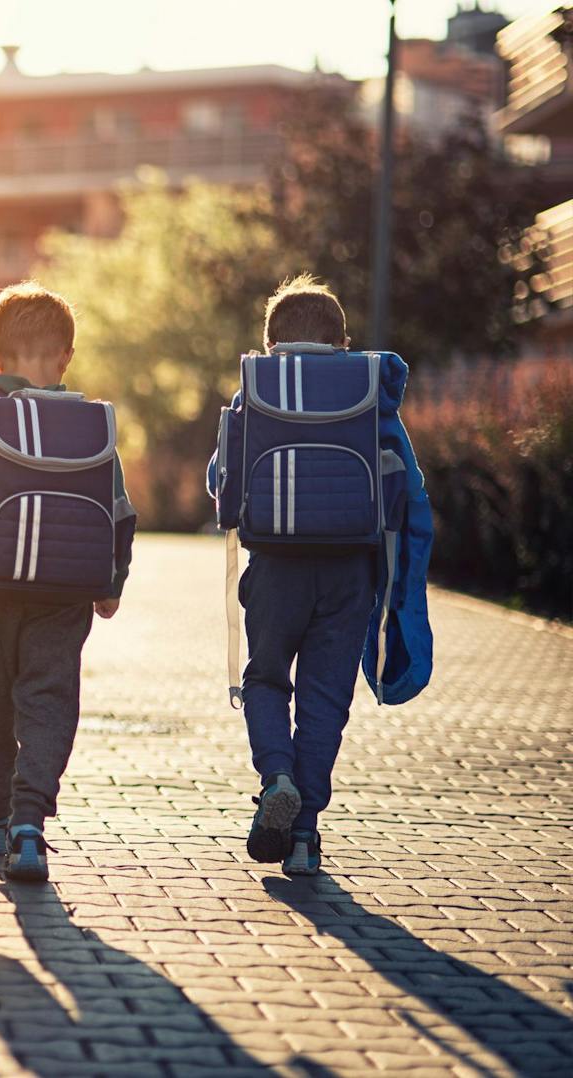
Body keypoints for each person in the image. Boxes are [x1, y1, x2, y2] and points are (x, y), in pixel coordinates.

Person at [0, 282, 132, 883]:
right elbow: (117, 507)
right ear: (66, 356)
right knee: (49, 698)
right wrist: (111, 580)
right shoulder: (92, 423)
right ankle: (28, 821)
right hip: (66, 591)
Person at [215, 276, 374, 876]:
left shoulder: (255, 393)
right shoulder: (366, 391)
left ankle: (275, 774)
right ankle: (305, 835)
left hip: (276, 566)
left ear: (270, 344)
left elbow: (220, 480)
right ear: (343, 341)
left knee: (266, 680)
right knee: (325, 702)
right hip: (349, 571)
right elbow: (400, 486)